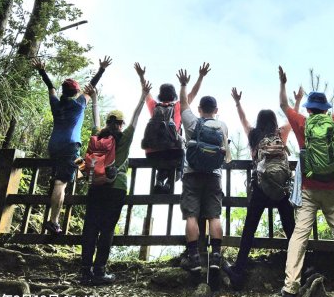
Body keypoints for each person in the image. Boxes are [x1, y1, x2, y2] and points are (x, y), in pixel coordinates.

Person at [275, 66, 334, 297]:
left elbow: (283, 105)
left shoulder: (302, 123)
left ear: (309, 109)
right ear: (325, 109)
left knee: (299, 235)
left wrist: (282, 83)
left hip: (310, 189)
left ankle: (290, 287)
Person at [222, 86, 303, 290]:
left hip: (260, 188)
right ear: (274, 122)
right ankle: (301, 269)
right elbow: (292, 121)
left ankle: (238, 270)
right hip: (280, 188)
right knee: (291, 229)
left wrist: (238, 102)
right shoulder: (281, 133)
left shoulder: (254, 135)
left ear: (259, 122)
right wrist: (297, 101)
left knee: (249, 229)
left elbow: (243, 120)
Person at [80, 63, 151, 285]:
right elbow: (136, 116)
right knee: (107, 228)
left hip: (95, 184)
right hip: (117, 186)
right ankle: (100, 271)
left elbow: (95, 119)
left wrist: (96, 98)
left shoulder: (98, 136)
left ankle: (85, 272)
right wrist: (143, 95)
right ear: (120, 124)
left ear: (108, 122)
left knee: (90, 226)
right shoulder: (125, 137)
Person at [33, 56, 112, 235]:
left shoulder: (55, 103)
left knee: (83, 169)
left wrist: (42, 70)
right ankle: (53, 222)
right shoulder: (79, 106)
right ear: (76, 93)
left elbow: (50, 87)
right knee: (61, 183)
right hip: (69, 147)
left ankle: (79, 181)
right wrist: (101, 70)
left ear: (63, 91)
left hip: (55, 146)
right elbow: (90, 87)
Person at [176, 68, 231, 272]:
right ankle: (215, 257)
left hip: (192, 174)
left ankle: (194, 258)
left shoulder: (192, 122)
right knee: (214, 216)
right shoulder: (222, 126)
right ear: (216, 109)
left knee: (191, 215)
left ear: (199, 109)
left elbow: (183, 104)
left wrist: (184, 84)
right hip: (214, 176)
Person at [143, 63, 211, 194]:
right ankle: (169, 183)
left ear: (160, 95)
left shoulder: (154, 107)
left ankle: (159, 181)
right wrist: (201, 76)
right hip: (173, 151)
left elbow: (146, 93)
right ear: (174, 95)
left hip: (152, 152)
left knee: (163, 164)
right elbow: (193, 94)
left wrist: (141, 76)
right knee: (180, 162)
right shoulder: (178, 106)